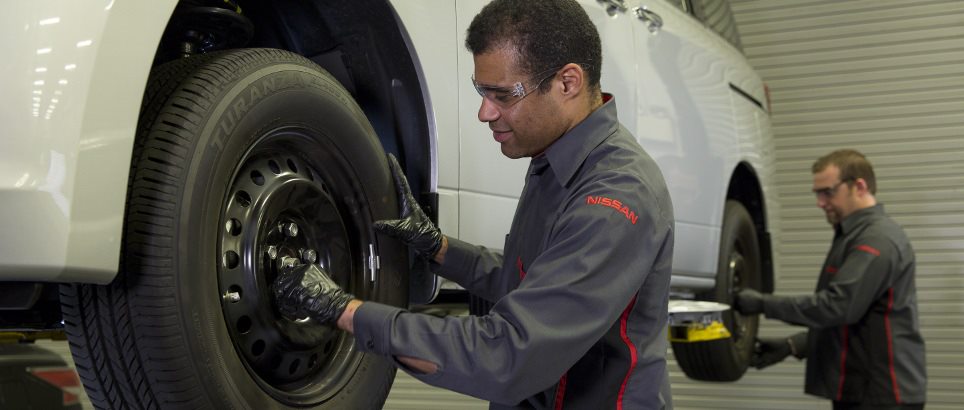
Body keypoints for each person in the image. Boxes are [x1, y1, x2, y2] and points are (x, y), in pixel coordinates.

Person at [272, 0, 675, 408]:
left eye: (502, 95)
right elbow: (532, 283)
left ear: (567, 83)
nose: (485, 113)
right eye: (482, 92)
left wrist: (345, 311)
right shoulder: (554, 156)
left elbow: (505, 358)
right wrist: (439, 249)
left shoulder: (617, 195)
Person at [735, 149, 926, 410]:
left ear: (859, 186)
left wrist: (761, 304)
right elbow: (859, 321)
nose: (820, 202)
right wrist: (793, 345)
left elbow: (838, 307)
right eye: (817, 193)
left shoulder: (875, 240)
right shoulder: (854, 235)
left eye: (828, 192)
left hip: (881, 395)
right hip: (864, 391)